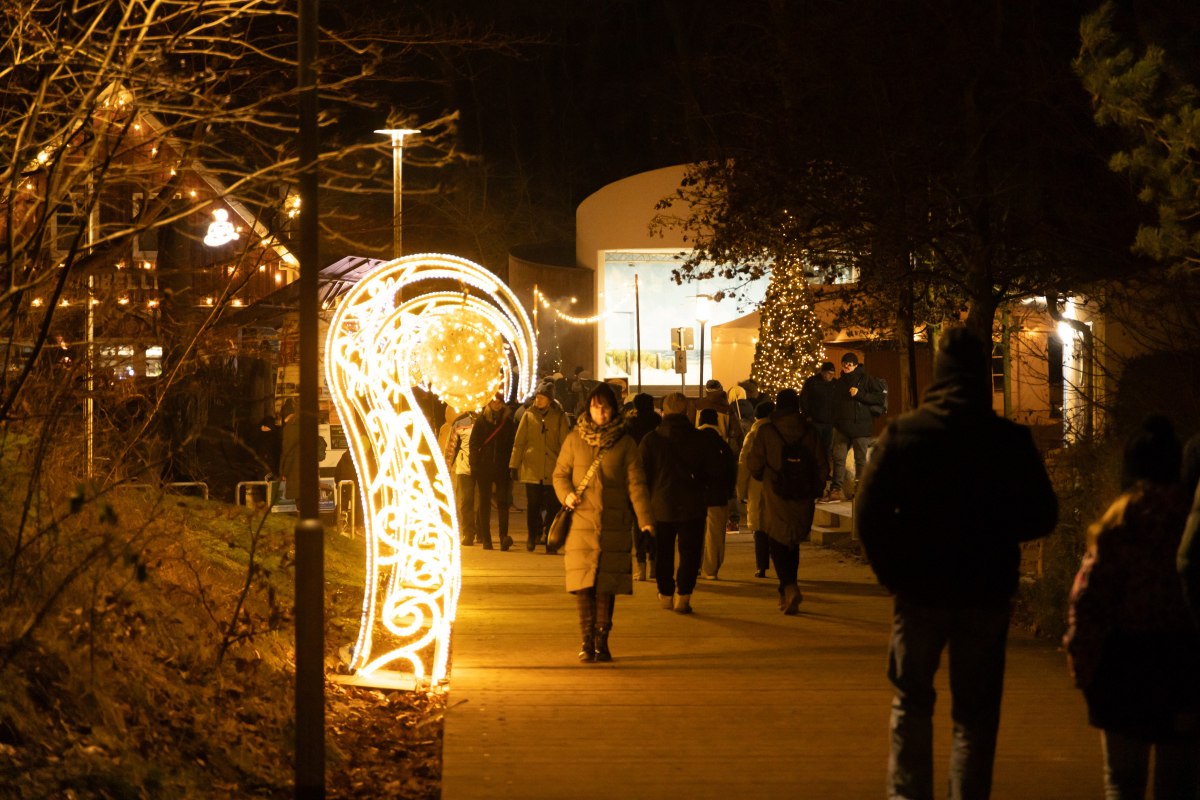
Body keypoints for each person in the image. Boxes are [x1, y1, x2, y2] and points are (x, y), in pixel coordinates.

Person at [855, 325, 1058, 800]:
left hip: (920, 588)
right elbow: (1042, 513)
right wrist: (999, 534)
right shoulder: (1007, 440)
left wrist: (893, 572)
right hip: (984, 589)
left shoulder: (905, 434)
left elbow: (869, 513)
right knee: (976, 713)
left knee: (911, 702)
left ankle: (909, 793)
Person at [1065, 415, 1200, 799]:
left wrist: (1083, 667)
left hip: (1123, 667)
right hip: (1184, 664)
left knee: (1123, 780)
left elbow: (1088, 602)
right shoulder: (1189, 522)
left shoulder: (1118, 525)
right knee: (1179, 783)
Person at [552, 382, 653, 663]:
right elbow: (559, 474)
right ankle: (586, 641)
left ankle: (602, 640)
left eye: (606, 407)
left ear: (614, 410)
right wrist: (566, 494)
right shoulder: (574, 440)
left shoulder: (625, 443)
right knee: (583, 586)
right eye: (596, 407)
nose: (601, 412)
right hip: (581, 524)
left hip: (614, 525)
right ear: (588, 409)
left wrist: (645, 520)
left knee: (606, 588)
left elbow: (636, 484)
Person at [746, 388, 827, 614]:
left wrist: (764, 476)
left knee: (778, 541)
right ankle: (787, 588)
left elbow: (754, 464)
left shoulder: (767, 432)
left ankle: (788, 587)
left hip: (776, 493)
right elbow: (822, 464)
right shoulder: (810, 432)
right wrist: (816, 488)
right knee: (792, 543)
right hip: (803, 494)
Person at [641, 391, 719, 615]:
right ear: (687, 412)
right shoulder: (700, 439)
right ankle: (683, 595)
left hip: (661, 504)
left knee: (663, 551)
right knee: (690, 552)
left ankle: (665, 593)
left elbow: (641, 476)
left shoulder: (651, 440)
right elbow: (712, 471)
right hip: (692, 504)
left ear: (663, 412)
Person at [510, 382, 571, 551]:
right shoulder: (528, 416)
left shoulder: (559, 417)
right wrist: (514, 465)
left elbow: (565, 444)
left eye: (542, 398)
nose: (538, 400)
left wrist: (566, 467)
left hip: (553, 469)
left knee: (552, 506)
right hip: (532, 468)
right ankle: (532, 535)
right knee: (533, 505)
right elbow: (519, 442)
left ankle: (549, 537)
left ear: (550, 400)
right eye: (537, 397)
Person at [824, 352, 885, 503]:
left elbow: (879, 397)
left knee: (860, 460)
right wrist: (834, 420)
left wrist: (860, 394)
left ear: (856, 365)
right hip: (841, 426)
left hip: (861, 426)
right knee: (838, 458)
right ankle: (836, 490)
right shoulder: (839, 382)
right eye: (844, 364)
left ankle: (860, 490)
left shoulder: (866, 379)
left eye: (850, 364)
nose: (846, 366)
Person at [469, 393, 517, 550]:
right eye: (494, 401)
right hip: (484, 467)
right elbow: (474, 443)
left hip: (502, 468)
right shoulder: (482, 421)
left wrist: (512, 465)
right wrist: (475, 465)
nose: (497, 404)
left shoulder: (508, 422)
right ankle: (486, 538)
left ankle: (503, 537)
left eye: (499, 401)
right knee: (484, 502)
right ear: (488, 403)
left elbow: (512, 445)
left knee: (503, 502)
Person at [697, 407, 738, 580]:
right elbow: (732, 471)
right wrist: (729, 493)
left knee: (696, 533)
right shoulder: (723, 445)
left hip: (696, 496)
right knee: (714, 535)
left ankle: (695, 566)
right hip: (718, 496)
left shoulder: (693, 441)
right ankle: (711, 569)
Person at [626, 392, 662, 581]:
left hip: (635, 477)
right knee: (653, 522)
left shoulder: (630, 425)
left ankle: (640, 566)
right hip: (655, 478)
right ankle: (653, 564)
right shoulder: (657, 424)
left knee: (636, 523)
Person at [738, 400, 775, 579]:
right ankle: (781, 564)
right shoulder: (780, 431)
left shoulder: (753, 434)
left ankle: (761, 566)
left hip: (757, 485)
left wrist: (741, 490)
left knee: (759, 528)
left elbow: (744, 463)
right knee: (776, 526)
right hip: (777, 485)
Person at [443, 409, 478, 547]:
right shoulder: (461, 422)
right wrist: (447, 465)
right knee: (466, 500)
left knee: (481, 502)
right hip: (465, 467)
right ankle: (469, 533)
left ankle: (482, 532)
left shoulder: (487, 418)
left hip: (482, 467)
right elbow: (451, 447)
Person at [800, 361, 838, 481]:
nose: (830, 376)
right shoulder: (812, 382)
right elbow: (803, 399)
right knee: (815, 447)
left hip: (829, 423)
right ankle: (812, 472)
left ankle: (825, 473)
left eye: (832, 374)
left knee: (827, 449)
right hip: (815, 421)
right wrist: (807, 415)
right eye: (828, 374)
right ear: (822, 373)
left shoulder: (835, 384)